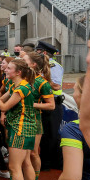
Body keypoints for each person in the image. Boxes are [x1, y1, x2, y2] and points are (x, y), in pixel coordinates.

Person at [0, 59, 37, 180]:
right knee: (25, 162)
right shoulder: (15, 85)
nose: (5, 69)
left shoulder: (22, 88)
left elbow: (4, 106)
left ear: (18, 72)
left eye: (9, 68)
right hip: (25, 128)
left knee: (14, 167)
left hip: (21, 129)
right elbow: (0, 100)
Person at [22, 51, 55, 180]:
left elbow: (51, 105)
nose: (21, 62)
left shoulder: (42, 83)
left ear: (33, 64)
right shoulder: (21, 79)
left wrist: (31, 104)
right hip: (19, 120)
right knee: (21, 154)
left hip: (34, 121)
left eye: (24, 60)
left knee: (33, 153)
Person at [37, 41, 64, 170]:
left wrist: (42, 78)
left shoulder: (54, 66)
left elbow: (56, 85)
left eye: (39, 51)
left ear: (45, 52)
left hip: (54, 103)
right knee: (45, 134)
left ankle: (55, 163)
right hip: (45, 103)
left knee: (52, 134)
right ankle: (46, 161)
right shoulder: (42, 66)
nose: (37, 53)